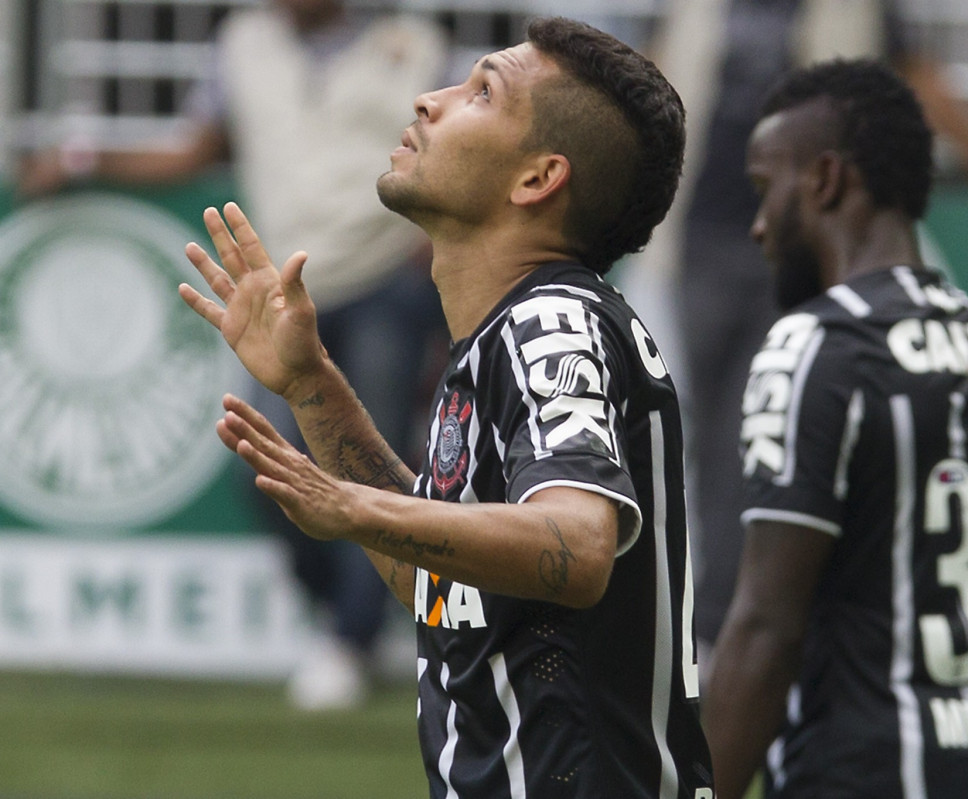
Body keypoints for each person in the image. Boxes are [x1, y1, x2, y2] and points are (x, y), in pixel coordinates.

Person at [178, 16, 713, 798]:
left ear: (537, 179)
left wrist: (354, 506)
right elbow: (446, 589)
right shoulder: (512, 330)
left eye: (481, 92)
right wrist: (312, 383)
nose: (431, 100)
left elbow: (578, 541)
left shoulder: (549, 323)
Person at [21, 0, 450, 709]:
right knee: (264, 458)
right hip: (281, 288)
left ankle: (350, 636)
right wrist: (83, 161)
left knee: (370, 468)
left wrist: (434, 248)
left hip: (383, 281)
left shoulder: (417, 43)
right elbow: (191, 147)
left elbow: (457, 159)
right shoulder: (242, 42)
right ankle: (348, 619)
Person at [650, 0, 968, 669]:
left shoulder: (858, 8)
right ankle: (730, 620)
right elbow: (651, 85)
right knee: (723, 442)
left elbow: (916, 83)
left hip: (811, 247)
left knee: (788, 435)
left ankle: (768, 619)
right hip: (698, 243)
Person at [703, 59, 968, 798]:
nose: (760, 225)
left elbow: (766, 628)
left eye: (768, 190)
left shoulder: (813, 346)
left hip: (858, 770)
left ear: (825, 181)